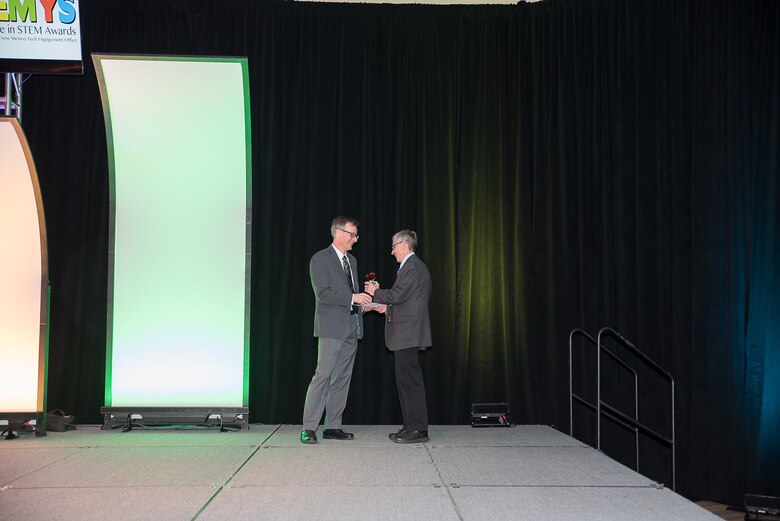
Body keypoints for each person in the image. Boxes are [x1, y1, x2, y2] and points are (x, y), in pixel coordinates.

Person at [301, 216, 373, 444]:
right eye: (352, 235)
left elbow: (351, 294)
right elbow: (323, 294)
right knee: (323, 376)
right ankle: (309, 428)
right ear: (338, 233)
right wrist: (353, 298)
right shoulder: (320, 259)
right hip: (331, 328)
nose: (355, 239)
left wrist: (364, 303)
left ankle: (333, 426)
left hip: (352, 326)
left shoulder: (351, 260)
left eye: (356, 235)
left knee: (342, 378)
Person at [364, 229, 432, 443]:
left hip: (408, 334)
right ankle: (410, 426)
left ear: (404, 244)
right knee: (404, 383)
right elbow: (404, 303)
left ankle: (419, 429)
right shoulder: (411, 267)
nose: (392, 252)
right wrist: (386, 309)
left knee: (410, 383)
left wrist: (376, 290)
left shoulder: (412, 266)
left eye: (393, 247)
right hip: (406, 333)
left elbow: (397, 295)